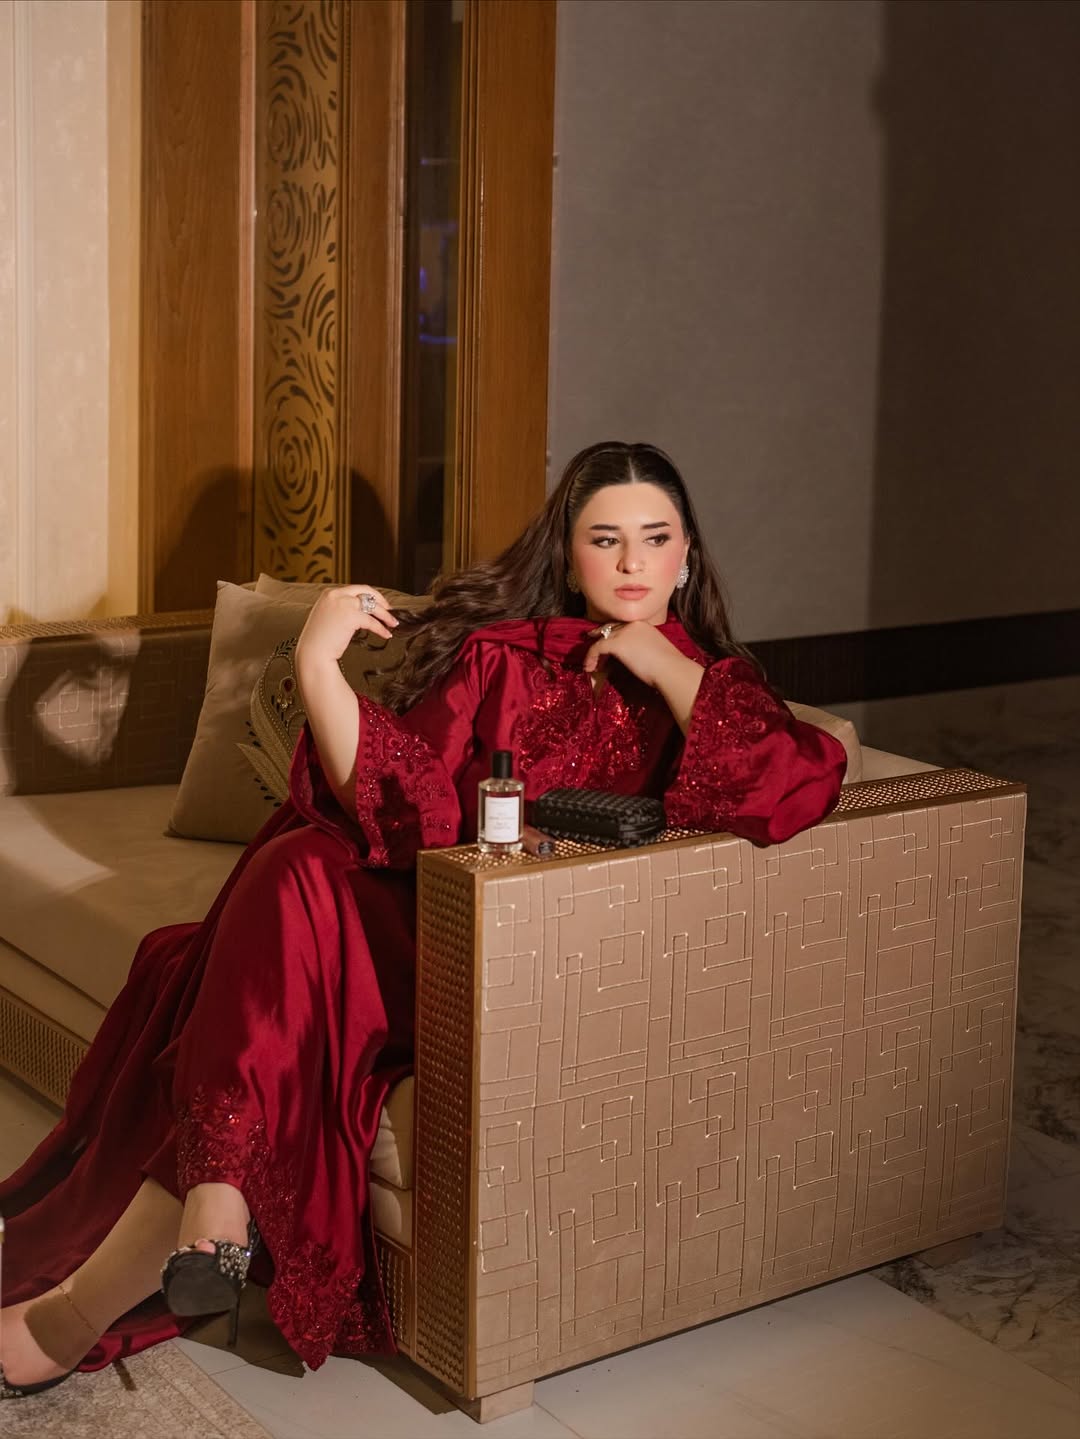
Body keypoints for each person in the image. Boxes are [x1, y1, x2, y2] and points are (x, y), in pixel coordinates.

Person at [0, 441, 847, 1398]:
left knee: (279, 946)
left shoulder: (720, 691)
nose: (630, 563)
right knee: (297, 867)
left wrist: (662, 662)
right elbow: (404, 807)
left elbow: (794, 780)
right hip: (429, 918)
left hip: (548, 958)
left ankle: (115, 1282)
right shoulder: (504, 656)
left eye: (655, 539)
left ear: (687, 553)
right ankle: (210, 1208)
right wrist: (317, 662)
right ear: (568, 553)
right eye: (605, 539)